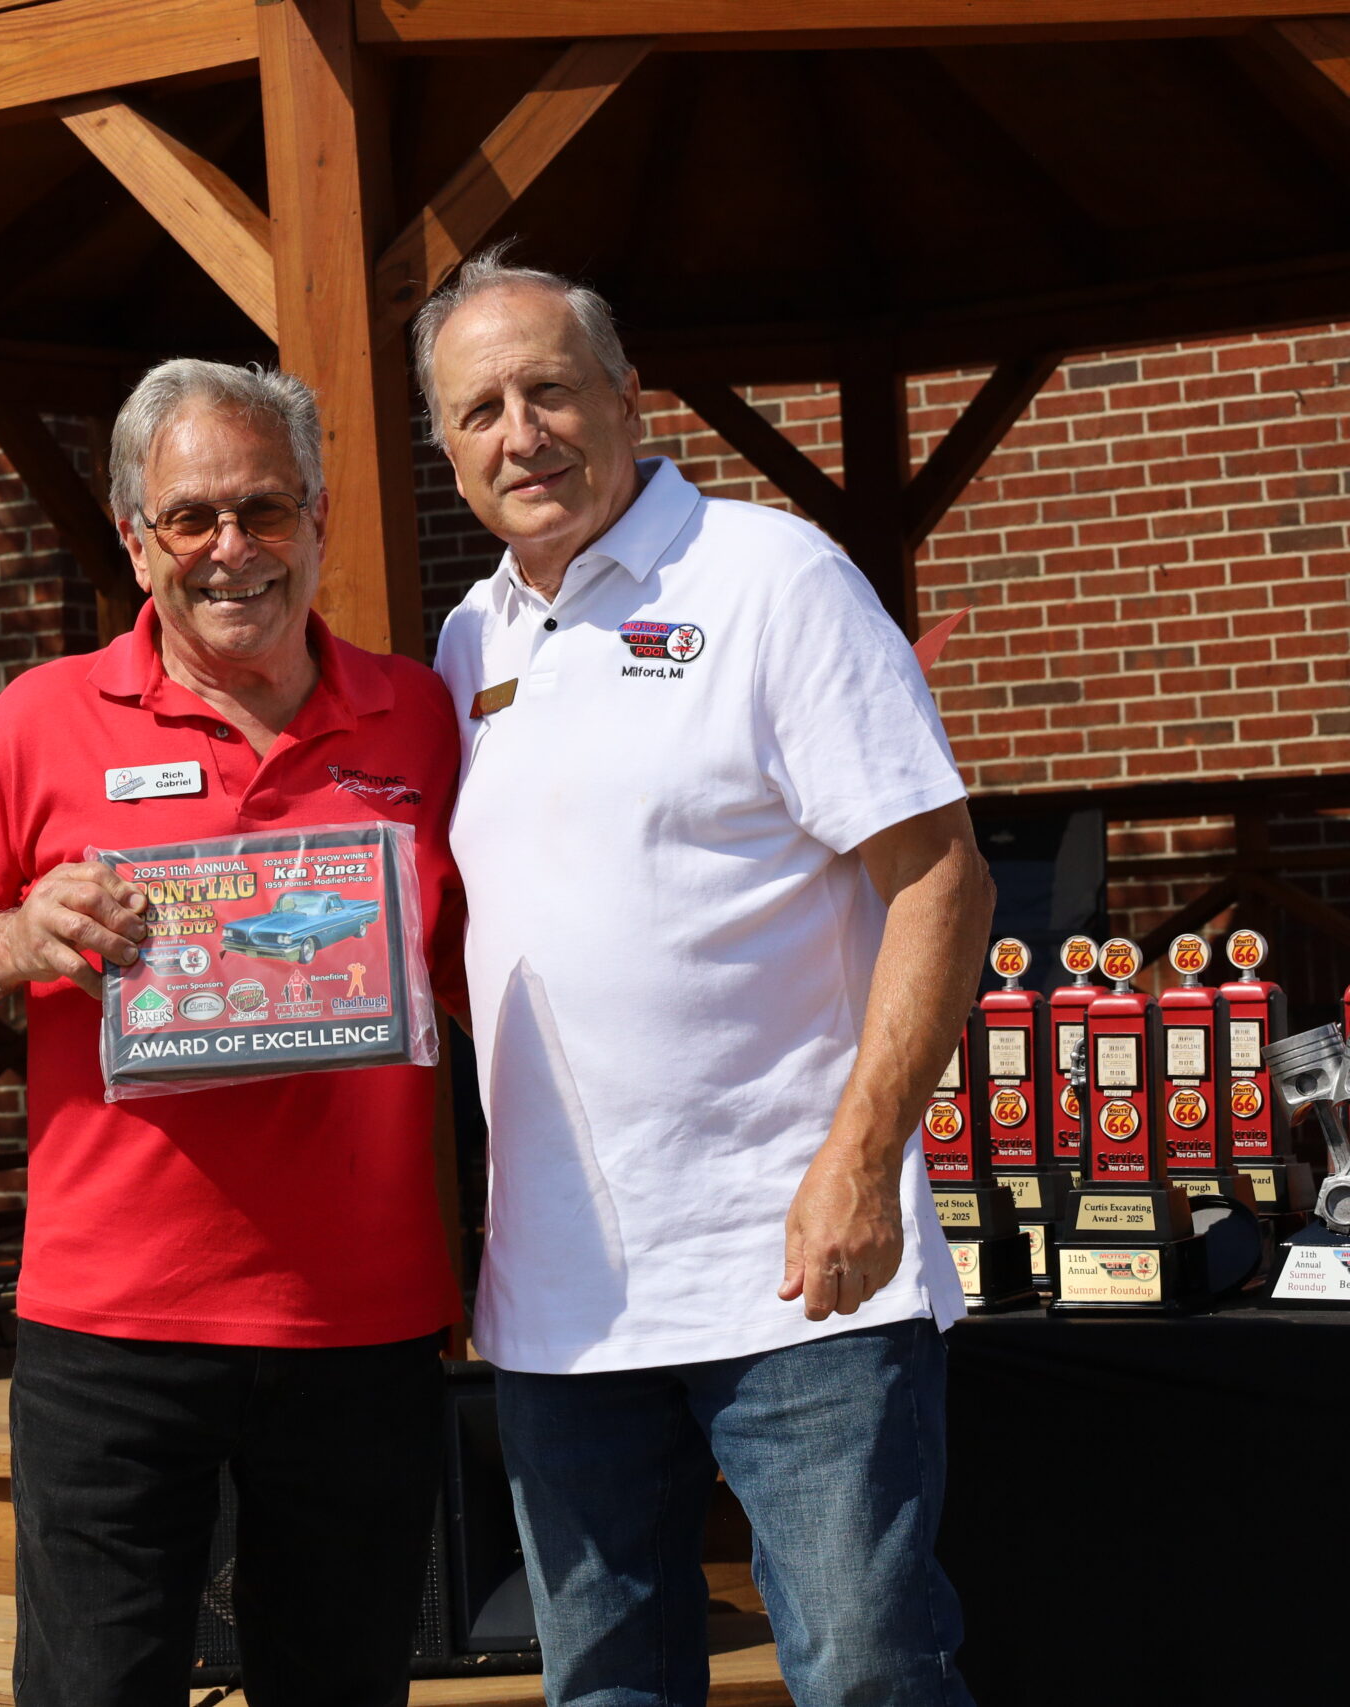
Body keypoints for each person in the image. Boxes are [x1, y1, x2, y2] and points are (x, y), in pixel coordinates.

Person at [421, 251, 995, 1707]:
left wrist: (861, 1162)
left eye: (551, 390)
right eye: (480, 410)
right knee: (606, 1687)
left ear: (629, 396)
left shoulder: (773, 578)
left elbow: (941, 878)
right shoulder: (472, 637)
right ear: (447, 448)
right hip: (560, 1303)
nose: (521, 434)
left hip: (796, 1278)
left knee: (869, 1677)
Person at [0, 358, 465, 1707]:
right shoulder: (41, 721)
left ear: (318, 518)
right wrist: (17, 939)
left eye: (264, 508)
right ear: (138, 542)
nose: (232, 549)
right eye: (191, 517)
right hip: (114, 1331)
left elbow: (491, 975)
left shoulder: (421, 717)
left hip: (359, 1323)